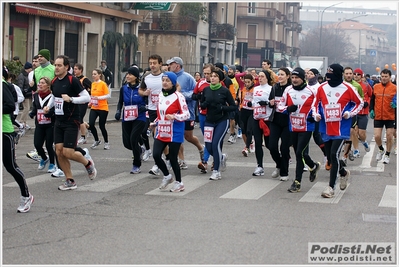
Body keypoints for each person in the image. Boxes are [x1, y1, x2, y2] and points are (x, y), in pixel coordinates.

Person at [312, 63, 363, 198]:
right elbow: (315, 104)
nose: (328, 78)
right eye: (327, 75)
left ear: (338, 75)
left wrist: (350, 113)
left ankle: (330, 187)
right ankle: (344, 173)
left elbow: (360, 103)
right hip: (326, 126)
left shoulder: (348, 88)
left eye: (331, 74)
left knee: (334, 154)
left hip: (341, 127)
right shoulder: (321, 88)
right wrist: (316, 114)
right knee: (330, 156)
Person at [51, 55, 95, 190]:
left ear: (66, 67)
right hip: (59, 120)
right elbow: (54, 97)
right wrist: (49, 106)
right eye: (55, 65)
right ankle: (70, 180)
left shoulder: (72, 80)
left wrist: (71, 99)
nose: (56, 68)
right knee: (58, 151)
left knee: (68, 152)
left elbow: (86, 97)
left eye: (59, 65)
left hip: (71, 120)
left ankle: (87, 163)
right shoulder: (54, 82)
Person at [276, 67, 321, 192]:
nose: (294, 80)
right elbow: (279, 106)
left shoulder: (311, 91)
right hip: (293, 125)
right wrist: (287, 109)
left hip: (307, 126)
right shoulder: (288, 90)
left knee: (299, 153)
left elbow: (319, 106)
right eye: (293, 77)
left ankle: (297, 182)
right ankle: (313, 166)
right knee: (301, 153)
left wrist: (314, 116)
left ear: (303, 78)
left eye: (297, 78)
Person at [3, 66, 34, 212]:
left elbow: (10, 106)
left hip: (5, 132)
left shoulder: (3, 85)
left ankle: (26, 196)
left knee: (11, 166)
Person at [154, 72, 190, 192]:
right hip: (162, 130)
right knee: (156, 155)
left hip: (175, 131)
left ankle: (179, 182)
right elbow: (161, 113)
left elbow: (186, 114)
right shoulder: (160, 95)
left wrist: (175, 116)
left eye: (167, 81)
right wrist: (155, 121)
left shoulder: (178, 96)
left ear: (173, 83)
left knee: (173, 158)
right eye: (163, 80)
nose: (164, 82)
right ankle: (167, 175)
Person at [167, 56, 204, 170]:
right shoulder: (168, 77)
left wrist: (181, 94)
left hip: (187, 112)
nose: (169, 66)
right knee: (177, 136)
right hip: (174, 113)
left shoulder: (188, 78)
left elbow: (195, 94)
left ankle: (201, 148)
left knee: (188, 136)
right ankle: (181, 160)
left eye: (171, 64)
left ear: (177, 65)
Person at [200, 68, 237, 180]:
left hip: (222, 120)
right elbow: (202, 104)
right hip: (209, 120)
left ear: (220, 79)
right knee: (209, 146)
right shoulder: (206, 90)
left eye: (215, 76)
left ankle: (216, 171)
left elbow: (233, 106)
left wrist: (222, 107)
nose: (213, 78)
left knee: (216, 144)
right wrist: (204, 104)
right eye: (211, 76)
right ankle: (222, 157)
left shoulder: (224, 91)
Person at [115, 66, 147, 174]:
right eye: (127, 74)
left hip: (140, 116)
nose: (127, 76)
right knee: (127, 143)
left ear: (136, 77)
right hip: (127, 116)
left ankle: (136, 165)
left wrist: (145, 107)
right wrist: (118, 111)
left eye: (130, 74)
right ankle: (140, 149)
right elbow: (120, 102)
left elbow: (148, 101)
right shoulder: (124, 88)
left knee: (134, 139)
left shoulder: (142, 88)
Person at [139, 54, 165, 175]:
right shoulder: (146, 77)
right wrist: (144, 93)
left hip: (165, 109)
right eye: (150, 63)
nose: (152, 65)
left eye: (154, 63)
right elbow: (140, 90)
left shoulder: (165, 76)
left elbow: (177, 88)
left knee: (163, 136)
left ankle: (165, 159)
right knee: (157, 136)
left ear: (160, 64)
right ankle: (158, 163)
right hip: (153, 110)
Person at [268, 67, 291, 181]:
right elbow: (270, 101)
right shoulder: (274, 87)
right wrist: (271, 103)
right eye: (279, 74)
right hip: (275, 120)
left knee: (284, 148)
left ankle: (284, 172)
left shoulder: (291, 89)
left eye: (282, 74)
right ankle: (279, 163)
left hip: (287, 121)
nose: (280, 76)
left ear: (288, 76)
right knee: (272, 146)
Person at [28, 77, 56, 173]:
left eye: (42, 83)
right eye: (39, 83)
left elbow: (54, 110)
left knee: (49, 145)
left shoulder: (52, 96)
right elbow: (36, 107)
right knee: (37, 144)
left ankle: (52, 164)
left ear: (48, 86)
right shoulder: (36, 95)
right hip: (39, 124)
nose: (39, 84)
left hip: (50, 124)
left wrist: (48, 113)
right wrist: (32, 113)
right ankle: (44, 158)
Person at [250, 70, 275, 176]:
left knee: (270, 145)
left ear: (267, 78)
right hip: (256, 118)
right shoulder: (255, 88)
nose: (260, 78)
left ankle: (280, 161)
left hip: (267, 120)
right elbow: (254, 101)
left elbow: (275, 103)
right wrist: (251, 103)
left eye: (262, 76)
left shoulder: (271, 89)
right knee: (257, 142)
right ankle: (259, 166)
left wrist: (267, 103)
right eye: (259, 76)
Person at [369, 69, 397, 164]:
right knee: (377, 136)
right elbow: (372, 99)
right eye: (383, 76)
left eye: (386, 76)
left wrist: (396, 104)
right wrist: (371, 109)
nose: (384, 78)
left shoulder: (395, 88)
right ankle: (381, 149)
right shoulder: (376, 87)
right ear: (380, 77)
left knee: (389, 136)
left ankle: (387, 154)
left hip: (390, 116)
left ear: (390, 77)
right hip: (378, 116)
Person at [192, 64, 213, 173]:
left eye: (208, 74)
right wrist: (199, 96)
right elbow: (193, 95)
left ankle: (205, 161)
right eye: (205, 73)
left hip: (214, 115)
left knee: (210, 139)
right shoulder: (200, 82)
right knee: (207, 138)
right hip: (202, 114)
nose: (207, 76)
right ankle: (219, 157)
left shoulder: (218, 83)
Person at [306, 68, 328, 169]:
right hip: (305, 115)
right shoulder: (305, 86)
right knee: (303, 139)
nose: (309, 75)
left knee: (317, 137)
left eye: (311, 74)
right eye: (308, 74)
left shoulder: (319, 87)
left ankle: (326, 154)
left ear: (315, 75)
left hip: (316, 114)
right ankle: (305, 161)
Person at [341, 67, 364, 163]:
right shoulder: (340, 85)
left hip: (352, 114)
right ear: (343, 74)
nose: (349, 75)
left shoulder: (357, 86)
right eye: (347, 73)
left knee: (350, 133)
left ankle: (345, 157)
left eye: (350, 73)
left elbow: (361, 98)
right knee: (342, 135)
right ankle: (348, 150)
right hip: (341, 114)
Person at [352, 68, 373, 158]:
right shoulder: (350, 85)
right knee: (354, 132)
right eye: (355, 74)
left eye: (358, 74)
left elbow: (370, 95)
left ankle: (364, 142)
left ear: (361, 76)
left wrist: (367, 103)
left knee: (361, 133)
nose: (356, 75)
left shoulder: (366, 85)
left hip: (363, 112)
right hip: (354, 112)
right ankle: (356, 150)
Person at [88, 68, 110, 149]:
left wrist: (99, 98)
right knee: (91, 124)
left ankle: (106, 142)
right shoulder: (93, 84)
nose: (93, 76)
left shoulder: (103, 84)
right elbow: (92, 95)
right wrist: (91, 101)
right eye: (92, 74)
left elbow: (108, 95)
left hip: (103, 108)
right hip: (94, 107)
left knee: (101, 126)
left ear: (99, 75)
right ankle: (96, 140)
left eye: (95, 74)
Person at [74, 63, 92, 145]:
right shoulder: (74, 79)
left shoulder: (85, 80)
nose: (74, 70)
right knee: (77, 118)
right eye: (74, 69)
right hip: (76, 101)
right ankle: (88, 127)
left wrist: (90, 98)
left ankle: (83, 137)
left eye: (76, 69)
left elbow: (92, 89)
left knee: (80, 118)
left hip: (83, 102)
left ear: (80, 70)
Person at [238, 74, 255, 157]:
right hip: (243, 110)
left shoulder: (255, 89)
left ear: (252, 81)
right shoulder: (243, 88)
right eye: (246, 82)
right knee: (243, 130)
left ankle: (246, 147)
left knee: (249, 130)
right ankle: (249, 143)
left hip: (252, 111)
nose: (247, 83)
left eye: (249, 82)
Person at [16, 61, 33, 134]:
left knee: (27, 108)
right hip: (25, 95)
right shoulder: (22, 76)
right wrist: (23, 93)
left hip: (28, 94)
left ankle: (24, 123)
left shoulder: (28, 75)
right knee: (26, 108)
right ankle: (21, 122)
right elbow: (20, 86)